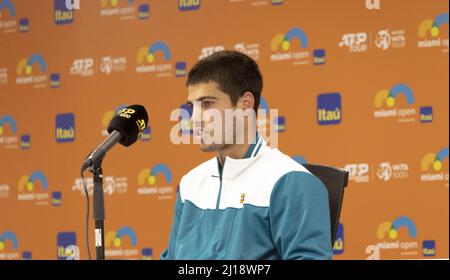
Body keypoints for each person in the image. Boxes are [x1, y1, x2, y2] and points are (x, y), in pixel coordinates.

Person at [161, 50, 332, 260]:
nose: (194, 119)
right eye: (191, 106)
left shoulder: (289, 181)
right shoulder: (190, 183)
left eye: (207, 104)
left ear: (245, 104)